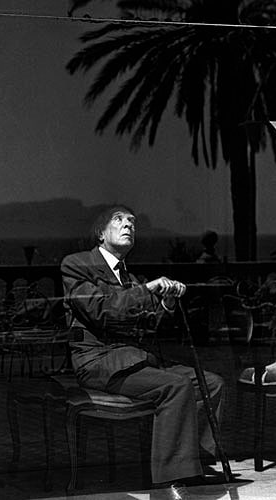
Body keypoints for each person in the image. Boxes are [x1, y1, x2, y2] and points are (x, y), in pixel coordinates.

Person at [61, 205, 226, 494]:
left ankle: (194, 464)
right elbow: (102, 311)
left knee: (211, 383)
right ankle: (169, 479)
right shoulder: (77, 265)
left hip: (133, 360)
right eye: (119, 220)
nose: (129, 225)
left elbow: (148, 327)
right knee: (175, 386)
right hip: (99, 362)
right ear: (101, 233)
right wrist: (148, 290)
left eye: (132, 222)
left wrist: (167, 303)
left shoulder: (130, 278)